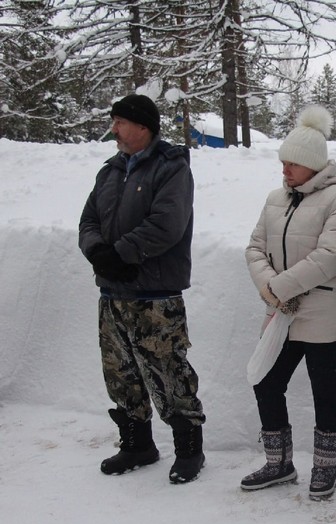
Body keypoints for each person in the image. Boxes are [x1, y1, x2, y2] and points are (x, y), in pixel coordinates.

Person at [79, 93, 206, 484]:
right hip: (112, 292)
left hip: (155, 294)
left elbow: (167, 224)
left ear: (142, 127)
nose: (114, 129)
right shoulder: (110, 171)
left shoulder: (171, 169)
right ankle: (137, 444)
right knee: (120, 372)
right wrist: (97, 251)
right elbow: (87, 221)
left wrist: (120, 253)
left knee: (169, 370)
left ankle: (189, 449)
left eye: (120, 122)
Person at [242, 105, 336, 500]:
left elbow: (332, 256)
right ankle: (279, 463)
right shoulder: (276, 198)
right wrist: (272, 288)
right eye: (283, 162)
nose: (285, 170)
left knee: (323, 388)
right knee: (266, 380)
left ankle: (325, 469)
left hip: (326, 313)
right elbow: (255, 247)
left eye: (293, 163)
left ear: (314, 165)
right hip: (283, 313)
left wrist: (280, 288)